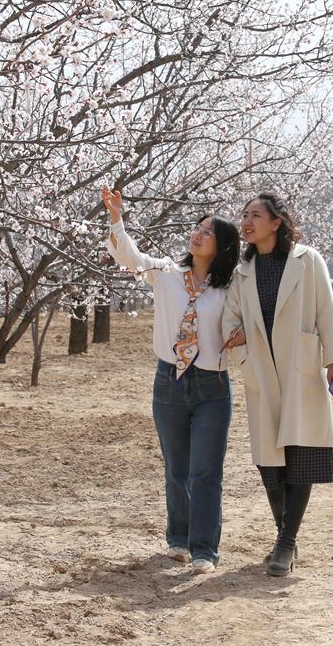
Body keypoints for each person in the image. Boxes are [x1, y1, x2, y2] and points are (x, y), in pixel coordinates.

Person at [102, 186, 241, 574]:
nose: (198, 234)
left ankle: (204, 549)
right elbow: (129, 257)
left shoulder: (231, 288)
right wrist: (116, 218)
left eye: (209, 232)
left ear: (223, 246)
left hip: (212, 384)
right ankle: (178, 539)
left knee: (206, 471)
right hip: (169, 381)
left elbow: (248, 321)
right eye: (198, 228)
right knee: (177, 467)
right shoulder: (166, 273)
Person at [222, 192, 333, 577]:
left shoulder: (307, 261)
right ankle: (285, 537)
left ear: (276, 222)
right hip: (262, 371)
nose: (246, 222)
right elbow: (229, 322)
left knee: (301, 455)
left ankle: (286, 542)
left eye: (255, 215)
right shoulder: (242, 272)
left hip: (300, 368)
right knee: (270, 462)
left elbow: (327, 312)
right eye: (244, 215)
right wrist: (241, 348)